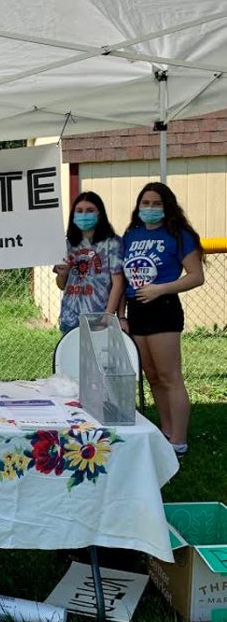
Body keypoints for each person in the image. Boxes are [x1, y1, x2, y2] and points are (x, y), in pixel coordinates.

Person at [120, 182, 204, 457]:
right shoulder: (131, 235)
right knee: (153, 376)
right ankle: (167, 432)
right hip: (137, 309)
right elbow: (122, 278)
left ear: (167, 206)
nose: (150, 208)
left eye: (157, 203)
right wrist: (121, 315)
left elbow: (195, 276)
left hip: (163, 307)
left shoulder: (179, 235)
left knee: (170, 376)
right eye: (146, 203)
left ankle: (179, 441)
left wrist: (160, 289)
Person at [53, 191, 124, 333]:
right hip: (69, 319)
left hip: (98, 319)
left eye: (90, 210)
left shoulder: (112, 243)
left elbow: (119, 283)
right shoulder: (67, 245)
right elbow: (61, 285)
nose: (84, 215)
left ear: (99, 214)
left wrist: (107, 317)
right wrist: (62, 275)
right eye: (79, 211)